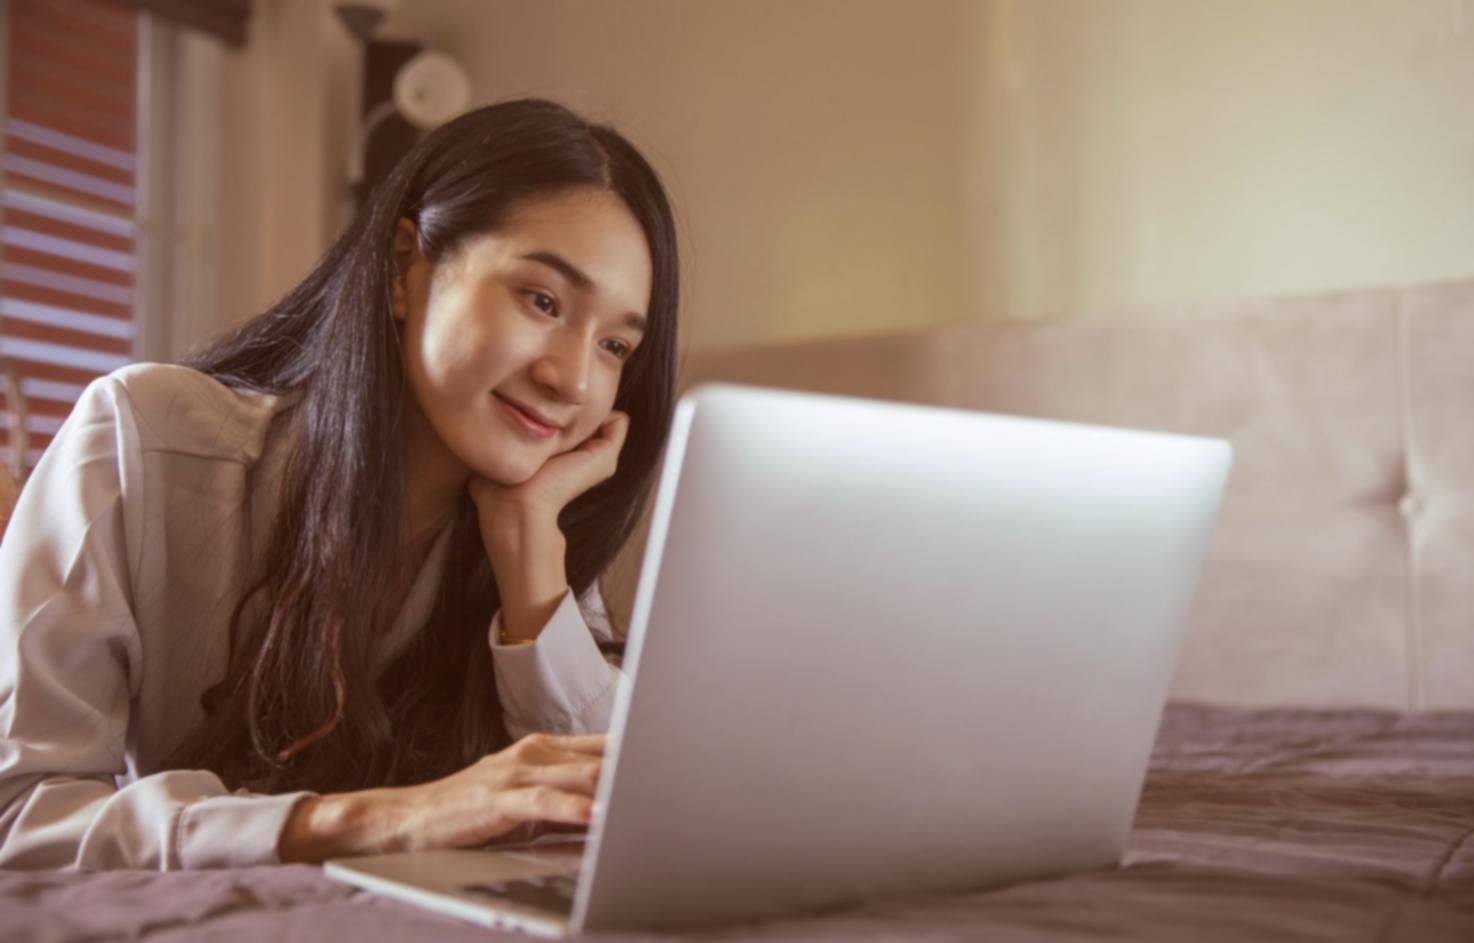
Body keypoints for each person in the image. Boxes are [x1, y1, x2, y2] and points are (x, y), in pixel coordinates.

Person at [0, 98, 679, 869]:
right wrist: (371, 818)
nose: (572, 380)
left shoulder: (535, 521)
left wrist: (529, 549)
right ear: (403, 267)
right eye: (543, 300)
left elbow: (624, 819)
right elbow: (18, 816)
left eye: (615, 345)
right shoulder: (141, 438)